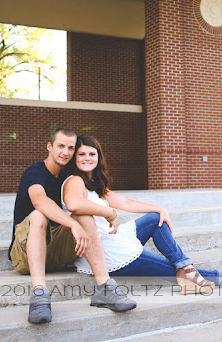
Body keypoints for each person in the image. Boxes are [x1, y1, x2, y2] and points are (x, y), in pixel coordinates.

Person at [60, 135, 222, 294]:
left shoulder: (92, 184)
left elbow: (126, 203)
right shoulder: (74, 181)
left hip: (113, 241)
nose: (87, 158)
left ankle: (186, 267)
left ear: (99, 158)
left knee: (155, 219)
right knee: (169, 269)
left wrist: (160, 209)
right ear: (74, 158)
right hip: (106, 254)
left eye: (92, 154)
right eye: (81, 154)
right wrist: (110, 213)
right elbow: (74, 203)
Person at [8, 128, 136, 324]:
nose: (65, 152)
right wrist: (73, 225)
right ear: (49, 147)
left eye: (70, 148)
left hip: (57, 252)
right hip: (25, 253)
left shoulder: (69, 177)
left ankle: (104, 288)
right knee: (39, 215)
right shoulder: (35, 172)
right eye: (60, 146)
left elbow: (107, 199)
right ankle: (39, 294)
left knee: (83, 215)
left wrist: (109, 213)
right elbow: (40, 201)